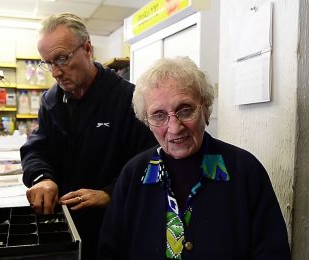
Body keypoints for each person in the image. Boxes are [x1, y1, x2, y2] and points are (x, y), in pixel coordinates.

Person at [98, 57, 291, 259]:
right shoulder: (134, 175)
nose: (174, 127)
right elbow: (110, 252)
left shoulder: (245, 171)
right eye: (159, 115)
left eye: (186, 110)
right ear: (146, 121)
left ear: (206, 110)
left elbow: (273, 253)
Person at [20, 13, 156, 259]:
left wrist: (110, 194)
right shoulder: (51, 101)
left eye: (62, 59)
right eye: (48, 62)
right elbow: (36, 149)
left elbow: (151, 164)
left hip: (114, 228)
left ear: (88, 49)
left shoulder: (129, 99)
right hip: (65, 227)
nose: (55, 72)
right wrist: (42, 178)